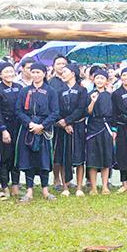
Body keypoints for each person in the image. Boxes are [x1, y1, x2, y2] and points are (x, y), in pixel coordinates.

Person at [15, 62, 58, 202]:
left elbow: (55, 112)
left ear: (44, 74)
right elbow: (18, 111)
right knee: (28, 160)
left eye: (38, 72)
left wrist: (42, 126)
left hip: (44, 130)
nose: (36, 75)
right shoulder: (24, 91)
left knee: (44, 160)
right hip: (28, 129)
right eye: (33, 72)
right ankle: (29, 191)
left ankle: (45, 191)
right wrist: (30, 124)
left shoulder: (51, 91)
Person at [53, 64, 89, 196]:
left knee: (79, 157)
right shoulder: (59, 91)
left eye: (65, 71)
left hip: (78, 127)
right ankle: (65, 187)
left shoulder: (82, 90)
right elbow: (57, 109)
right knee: (63, 157)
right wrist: (64, 123)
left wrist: (68, 121)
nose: (62, 74)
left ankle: (79, 187)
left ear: (73, 73)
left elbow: (81, 109)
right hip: (63, 129)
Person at [0, 62, 22, 199]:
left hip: (18, 126)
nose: (9, 74)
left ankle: (15, 185)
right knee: (4, 157)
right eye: (6, 72)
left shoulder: (19, 88)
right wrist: (3, 130)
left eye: (11, 71)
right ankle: (4, 185)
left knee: (16, 156)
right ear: (0, 74)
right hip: (5, 126)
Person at [84, 68, 116, 195]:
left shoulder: (110, 96)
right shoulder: (90, 94)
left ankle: (104, 186)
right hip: (93, 127)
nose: (99, 80)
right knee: (92, 158)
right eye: (97, 78)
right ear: (93, 79)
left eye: (102, 78)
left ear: (106, 81)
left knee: (106, 157)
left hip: (106, 127)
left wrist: (114, 130)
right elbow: (88, 112)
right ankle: (93, 187)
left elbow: (114, 114)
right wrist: (93, 100)